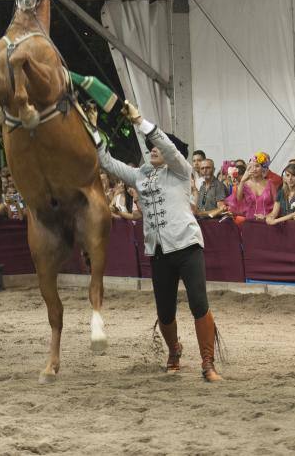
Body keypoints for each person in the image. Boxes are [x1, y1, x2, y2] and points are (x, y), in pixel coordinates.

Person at [94, 101, 222, 382]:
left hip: (187, 246)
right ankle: (174, 351)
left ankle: (207, 363)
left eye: (156, 147)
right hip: (159, 250)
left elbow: (165, 144)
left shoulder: (180, 169)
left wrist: (140, 121)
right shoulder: (141, 175)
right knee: (164, 311)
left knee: (199, 304)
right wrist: (93, 130)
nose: (152, 149)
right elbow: (106, 162)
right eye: (149, 147)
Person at [226, 151, 275, 222]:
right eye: (251, 166)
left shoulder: (270, 183)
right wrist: (242, 181)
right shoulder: (245, 184)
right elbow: (238, 201)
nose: (254, 169)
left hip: (267, 221)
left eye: (257, 166)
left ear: (263, 168)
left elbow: (277, 205)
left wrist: (266, 217)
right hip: (250, 222)